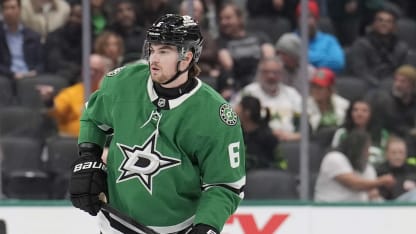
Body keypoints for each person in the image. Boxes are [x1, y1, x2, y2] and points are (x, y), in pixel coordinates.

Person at [69, 14, 246, 234]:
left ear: (187, 57)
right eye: (152, 49)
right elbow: (93, 117)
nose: (154, 58)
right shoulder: (124, 82)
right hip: (115, 224)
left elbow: (225, 185)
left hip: (178, 229)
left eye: (164, 51)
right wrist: (88, 157)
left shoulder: (215, 115)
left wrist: (206, 226)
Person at [37, 54, 112, 137]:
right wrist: (49, 101)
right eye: (88, 69)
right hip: (71, 142)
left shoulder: (109, 94)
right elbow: (57, 110)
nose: (91, 73)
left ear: (103, 73)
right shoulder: (70, 92)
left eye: (96, 70)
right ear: (82, 71)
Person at [315, 129, 395, 202]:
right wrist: (381, 181)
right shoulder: (334, 158)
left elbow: (372, 192)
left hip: (360, 211)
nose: (368, 153)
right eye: (366, 149)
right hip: (329, 211)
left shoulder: (366, 167)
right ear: (356, 149)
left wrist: (374, 193)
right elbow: (355, 184)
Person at [349, 7, 409, 89]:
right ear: (373, 24)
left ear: (394, 26)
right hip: (367, 86)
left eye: (388, 21)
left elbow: (404, 72)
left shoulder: (401, 47)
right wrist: (377, 85)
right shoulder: (361, 44)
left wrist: (391, 84)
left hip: (394, 86)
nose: (384, 24)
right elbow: (360, 70)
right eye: (380, 20)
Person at [332, 99, 389, 166]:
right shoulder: (342, 133)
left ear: (371, 114)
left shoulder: (382, 134)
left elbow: (386, 157)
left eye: (364, 111)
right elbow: (334, 157)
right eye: (355, 110)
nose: (359, 114)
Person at [0, 0, 43, 81]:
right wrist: (11, 74)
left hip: (30, 76)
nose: (9, 12)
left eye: (12, 8)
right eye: (5, 8)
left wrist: (35, 72)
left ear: (20, 10)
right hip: (6, 77)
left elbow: (41, 63)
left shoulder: (33, 36)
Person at [235, 95, 279, 171]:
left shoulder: (267, 137)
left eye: (239, 106)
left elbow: (273, 162)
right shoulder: (237, 134)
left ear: (247, 113)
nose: (234, 109)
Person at [376, 136, 416, 201]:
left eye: (401, 152)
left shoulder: (413, 169)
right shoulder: (379, 171)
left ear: (406, 153)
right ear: (387, 154)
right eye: (394, 153)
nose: (398, 156)